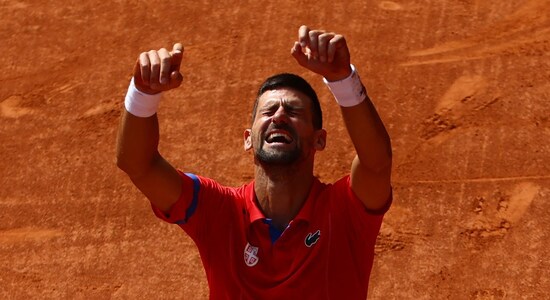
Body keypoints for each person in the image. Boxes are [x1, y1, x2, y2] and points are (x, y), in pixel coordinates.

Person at [116, 25, 392, 299]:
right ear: (249, 139)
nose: (280, 116)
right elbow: (138, 164)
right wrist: (143, 93)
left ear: (319, 140)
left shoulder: (344, 212)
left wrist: (343, 81)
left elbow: (376, 164)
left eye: (294, 111)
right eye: (269, 110)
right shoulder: (219, 211)